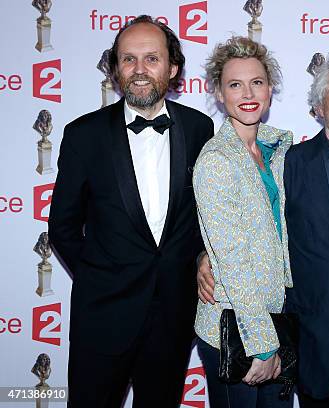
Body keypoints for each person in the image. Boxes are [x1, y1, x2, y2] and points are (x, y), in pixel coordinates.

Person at [199, 45, 329, 407]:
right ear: (320, 104)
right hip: (310, 337)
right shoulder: (291, 164)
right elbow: (233, 231)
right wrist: (204, 255)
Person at [48, 15, 214, 408]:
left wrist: (202, 257)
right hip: (103, 318)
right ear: (114, 69)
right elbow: (63, 226)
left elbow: (206, 216)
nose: (139, 71)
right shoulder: (83, 134)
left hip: (173, 318)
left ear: (172, 69)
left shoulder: (199, 128)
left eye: (151, 59)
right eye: (128, 60)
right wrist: (100, 275)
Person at [192, 36, 293, 408]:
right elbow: (232, 261)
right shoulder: (217, 160)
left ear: (270, 89)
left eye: (257, 82)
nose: (247, 93)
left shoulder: (277, 149)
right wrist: (263, 344)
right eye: (235, 84)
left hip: (276, 318)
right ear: (219, 94)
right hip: (235, 329)